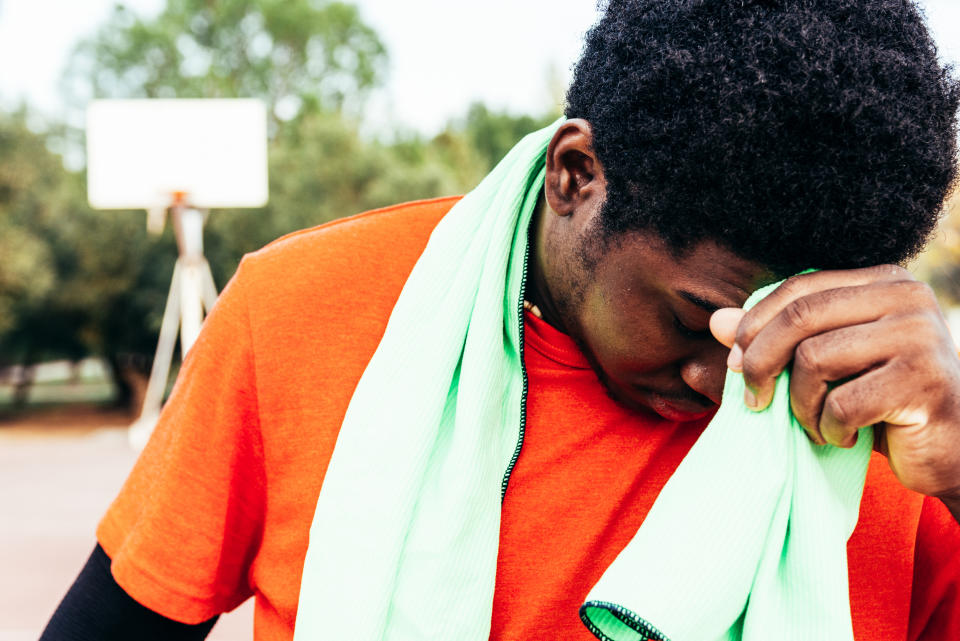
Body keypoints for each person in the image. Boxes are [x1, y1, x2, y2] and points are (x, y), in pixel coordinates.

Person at [42, 0, 960, 639]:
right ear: (575, 178)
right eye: (699, 324)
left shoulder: (882, 410)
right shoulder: (302, 313)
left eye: (785, 335)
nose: (730, 384)